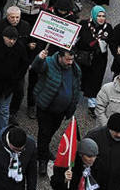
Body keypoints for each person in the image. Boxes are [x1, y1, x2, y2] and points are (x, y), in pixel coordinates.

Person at [32, 47, 81, 175]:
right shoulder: (48, 63)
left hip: (61, 111)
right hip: (46, 107)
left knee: (50, 132)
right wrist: (39, 58)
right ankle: (42, 160)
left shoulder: (75, 69)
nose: (70, 62)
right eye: (67, 59)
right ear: (60, 57)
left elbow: (76, 87)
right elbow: (37, 68)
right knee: (44, 132)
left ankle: (44, 150)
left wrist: (72, 106)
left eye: (72, 59)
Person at [85, 113, 120, 190]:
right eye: (116, 132)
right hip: (94, 183)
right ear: (110, 128)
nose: (119, 135)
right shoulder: (94, 136)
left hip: (115, 185)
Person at [0, 126, 37, 190]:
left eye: (21, 150)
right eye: (14, 149)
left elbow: (32, 171)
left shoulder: (31, 145)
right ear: (9, 141)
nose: (17, 152)